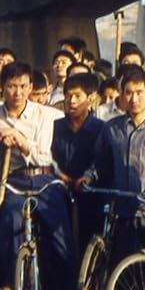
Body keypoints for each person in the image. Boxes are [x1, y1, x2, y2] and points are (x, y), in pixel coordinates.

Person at [0, 62, 75, 290]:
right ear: (1, 87)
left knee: (60, 241)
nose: (18, 92)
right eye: (12, 86)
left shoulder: (47, 115)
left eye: (23, 86)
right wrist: (1, 138)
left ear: (30, 87)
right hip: (13, 178)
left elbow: (43, 154)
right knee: (8, 217)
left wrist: (22, 142)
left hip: (44, 178)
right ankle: (12, 281)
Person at [84, 71, 145, 260]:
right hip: (122, 211)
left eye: (139, 92)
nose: (134, 98)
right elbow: (100, 162)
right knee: (122, 267)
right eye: (128, 92)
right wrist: (89, 175)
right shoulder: (111, 128)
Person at [51, 73, 104, 247]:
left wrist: (89, 177)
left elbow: (102, 161)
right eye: (68, 96)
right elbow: (48, 155)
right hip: (58, 190)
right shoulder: (55, 126)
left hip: (90, 193)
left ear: (90, 98)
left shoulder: (101, 129)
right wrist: (61, 175)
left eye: (77, 96)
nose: (71, 101)